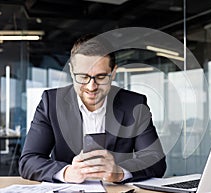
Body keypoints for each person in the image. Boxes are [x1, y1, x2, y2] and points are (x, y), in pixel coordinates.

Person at [19, 34, 166, 183]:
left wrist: (119, 172)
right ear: (71, 71)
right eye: (83, 77)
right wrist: (67, 173)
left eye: (101, 77)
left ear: (113, 73)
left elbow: (155, 159)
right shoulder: (51, 103)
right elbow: (29, 161)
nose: (91, 87)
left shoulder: (134, 104)